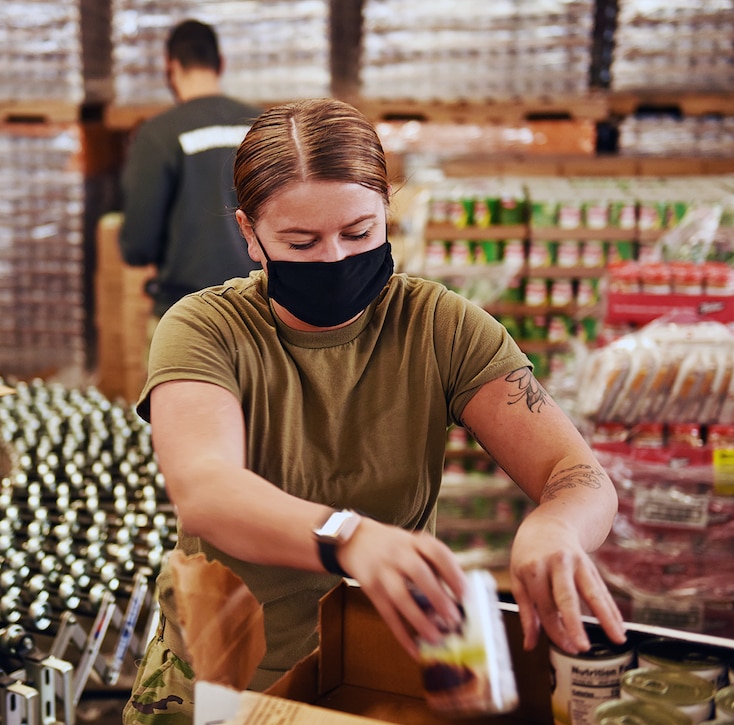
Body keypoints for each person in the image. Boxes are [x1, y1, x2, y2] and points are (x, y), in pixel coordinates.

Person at [123, 98, 627, 723]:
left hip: (388, 672)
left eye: (359, 232)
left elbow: (576, 475)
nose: (335, 259)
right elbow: (207, 491)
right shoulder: (205, 329)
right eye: (300, 241)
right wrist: (350, 538)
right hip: (226, 682)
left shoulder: (441, 327)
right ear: (250, 234)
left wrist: (555, 529)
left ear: (388, 211)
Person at [117, 19, 262, 351]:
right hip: (261, 318)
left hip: (185, 320)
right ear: (221, 64)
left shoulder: (158, 135)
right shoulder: (258, 127)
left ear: (171, 67)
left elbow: (138, 245)